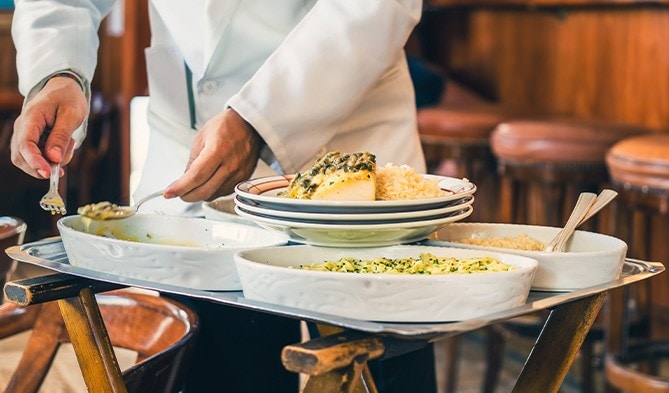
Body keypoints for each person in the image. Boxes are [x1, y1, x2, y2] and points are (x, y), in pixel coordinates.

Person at [10, 1, 437, 392]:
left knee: (383, 369)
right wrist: (57, 73)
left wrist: (259, 118)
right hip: (194, 151)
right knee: (223, 370)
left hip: (346, 126)